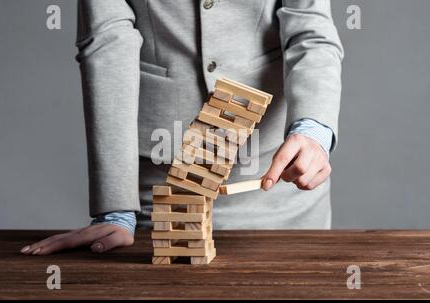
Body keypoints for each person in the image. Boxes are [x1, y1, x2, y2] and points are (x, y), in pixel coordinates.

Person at [21, 0, 343, 256]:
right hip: (160, 191)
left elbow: (310, 30)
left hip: (275, 186)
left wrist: (312, 130)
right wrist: (116, 207)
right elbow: (107, 39)